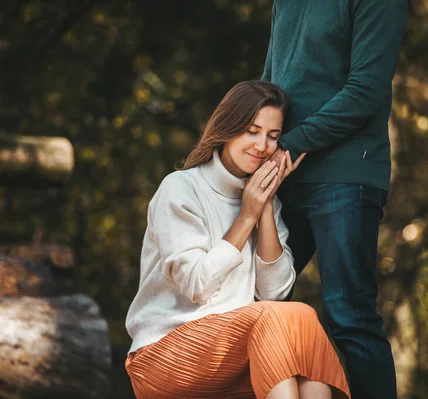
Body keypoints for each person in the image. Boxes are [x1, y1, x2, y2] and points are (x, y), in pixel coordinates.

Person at [124, 81, 350, 399]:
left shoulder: (260, 198)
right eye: (252, 131)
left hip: (233, 356)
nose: (262, 146)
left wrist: (265, 206)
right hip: (164, 354)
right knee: (278, 318)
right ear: (228, 129)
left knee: (302, 318)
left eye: (273, 136)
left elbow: (274, 292)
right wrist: (247, 216)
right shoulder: (181, 189)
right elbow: (198, 285)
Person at [261, 0, 409, 398]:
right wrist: (255, 144)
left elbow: (366, 92)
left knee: (349, 316)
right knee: (253, 303)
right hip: (285, 173)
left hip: (346, 175)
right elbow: (268, 88)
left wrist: (289, 144)